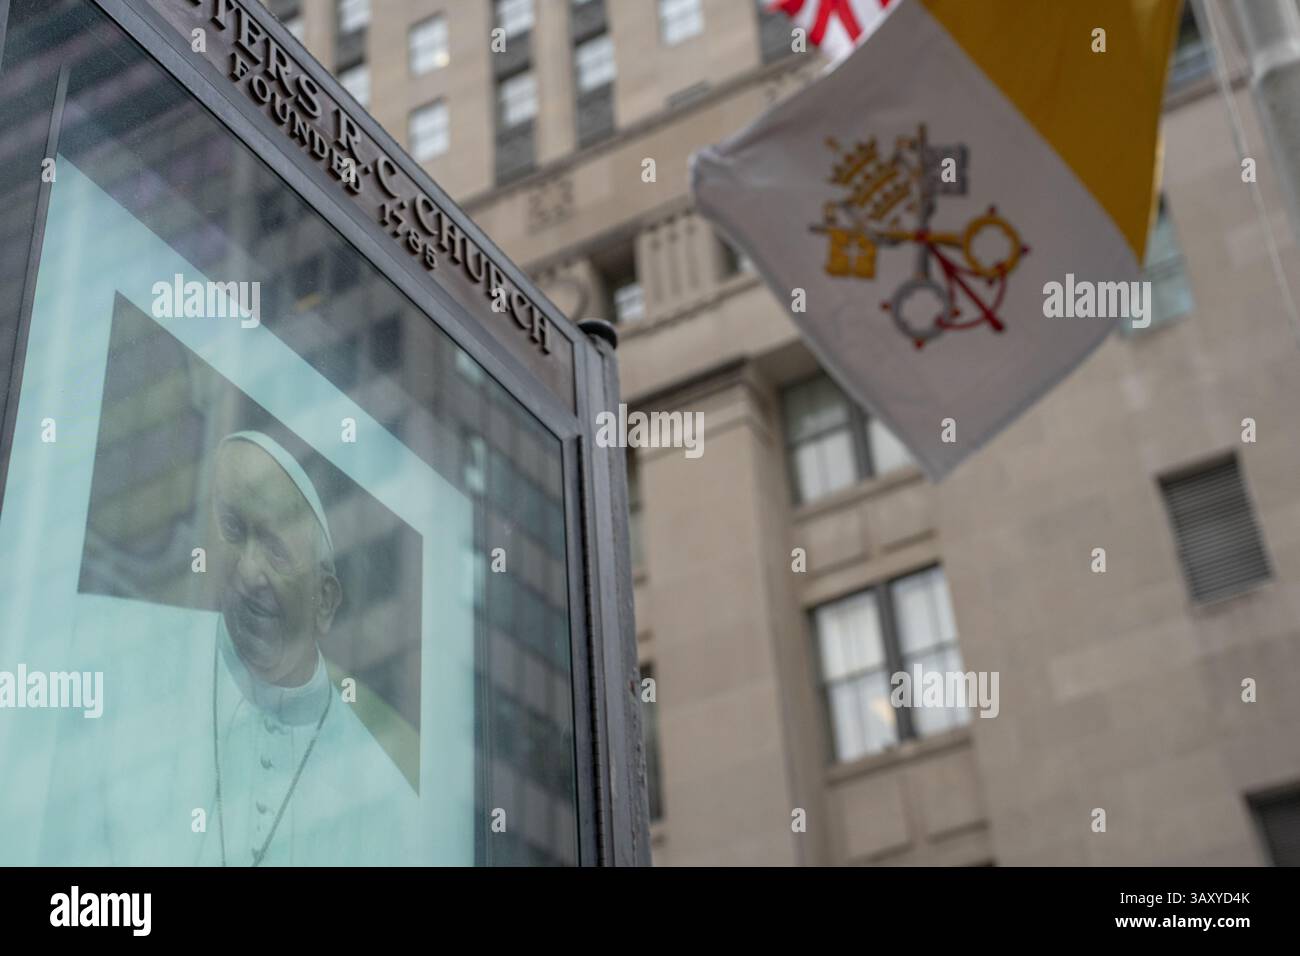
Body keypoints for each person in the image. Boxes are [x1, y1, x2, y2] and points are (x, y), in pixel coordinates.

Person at [44, 431, 420, 865]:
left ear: (325, 601)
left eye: (276, 551)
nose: (247, 570)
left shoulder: (379, 794)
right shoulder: (110, 656)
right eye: (234, 532)